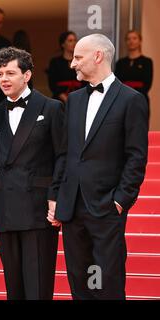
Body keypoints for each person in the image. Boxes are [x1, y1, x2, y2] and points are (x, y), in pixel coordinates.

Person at [52, 34, 149, 300]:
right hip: (73, 207)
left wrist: (120, 201)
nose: (73, 64)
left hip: (107, 207)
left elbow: (136, 157)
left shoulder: (131, 100)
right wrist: (58, 196)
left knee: (108, 283)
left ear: (98, 56)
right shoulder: (73, 100)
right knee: (79, 282)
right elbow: (67, 153)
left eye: (78, 57)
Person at [0, 47, 65, 300]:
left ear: (27, 75)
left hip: (38, 211)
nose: (4, 79)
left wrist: (55, 196)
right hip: (5, 209)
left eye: (10, 73)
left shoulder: (52, 109)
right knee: (14, 290)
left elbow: (63, 156)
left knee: (38, 290)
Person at [115, 30, 153, 108]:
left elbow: (147, 84)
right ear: (126, 42)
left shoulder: (147, 61)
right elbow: (117, 82)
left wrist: (134, 94)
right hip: (122, 99)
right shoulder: (120, 62)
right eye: (128, 39)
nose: (131, 41)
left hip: (140, 98)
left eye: (134, 38)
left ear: (140, 41)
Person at [46, 31, 84, 103]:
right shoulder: (55, 62)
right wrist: (65, 98)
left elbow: (85, 82)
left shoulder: (81, 61)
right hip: (59, 101)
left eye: (75, 40)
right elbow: (52, 84)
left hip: (79, 99)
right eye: (70, 41)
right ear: (63, 44)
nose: (74, 43)